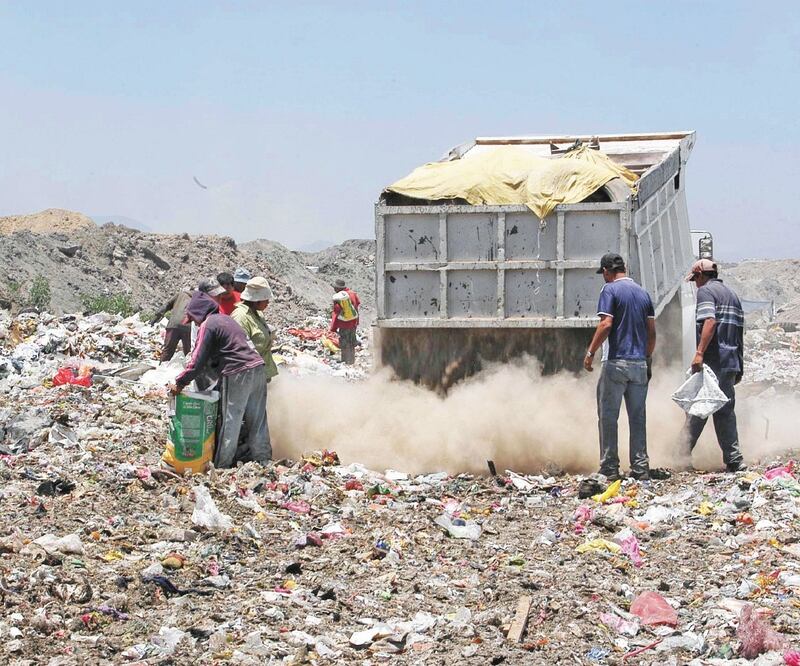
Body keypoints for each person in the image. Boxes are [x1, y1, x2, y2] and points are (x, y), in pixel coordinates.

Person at [169, 291, 270, 467]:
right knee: (258, 419)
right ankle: (263, 460)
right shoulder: (227, 319)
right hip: (258, 367)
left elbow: (197, 359)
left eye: (194, 319)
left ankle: (223, 465)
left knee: (231, 420)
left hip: (238, 372)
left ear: (200, 313)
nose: (195, 323)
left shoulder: (208, 324)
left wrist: (180, 382)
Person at [584, 253, 656, 481]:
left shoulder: (610, 290)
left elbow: (606, 324)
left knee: (608, 416)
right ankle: (641, 467)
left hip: (616, 362)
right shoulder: (643, 293)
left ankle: (609, 467)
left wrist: (590, 352)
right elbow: (651, 333)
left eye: (603, 274)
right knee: (637, 417)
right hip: (639, 364)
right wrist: (647, 357)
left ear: (607, 271)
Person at [679, 259, 746, 472]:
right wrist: (739, 366)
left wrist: (699, 353)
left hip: (714, 360)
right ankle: (734, 459)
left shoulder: (706, 293)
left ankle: (679, 455)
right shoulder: (732, 295)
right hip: (730, 361)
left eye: (695, 279)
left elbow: (709, 321)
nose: (695, 284)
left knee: (700, 407)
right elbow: (738, 332)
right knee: (725, 411)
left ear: (700, 275)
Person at [150, 288, 192, 362]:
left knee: (167, 351)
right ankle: (189, 370)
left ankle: (161, 369)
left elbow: (167, 305)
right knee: (189, 352)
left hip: (173, 325)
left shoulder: (180, 294)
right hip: (188, 326)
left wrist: (156, 317)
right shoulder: (199, 298)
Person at [329, 278, 361, 365]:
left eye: (335, 288)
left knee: (344, 342)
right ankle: (351, 361)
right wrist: (357, 322)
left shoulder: (340, 297)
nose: (334, 289)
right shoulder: (353, 294)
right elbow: (356, 307)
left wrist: (333, 328)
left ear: (339, 288)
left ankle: (345, 361)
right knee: (351, 342)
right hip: (353, 323)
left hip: (344, 323)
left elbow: (336, 312)